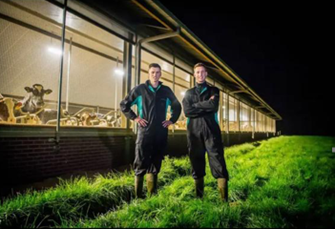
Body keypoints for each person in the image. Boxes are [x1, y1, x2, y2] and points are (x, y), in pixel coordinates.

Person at [120, 63, 181, 198]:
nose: (155, 75)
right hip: (145, 132)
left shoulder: (166, 91)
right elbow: (124, 105)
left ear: (161, 74)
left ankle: (151, 195)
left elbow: (177, 106)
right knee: (141, 161)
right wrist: (135, 118)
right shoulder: (140, 89)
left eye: (158, 72)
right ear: (148, 73)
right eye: (153, 72)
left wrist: (172, 120)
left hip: (160, 133)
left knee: (156, 161)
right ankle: (137, 196)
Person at [182, 63, 229, 202]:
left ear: (206, 74)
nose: (200, 74)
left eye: (203, 72)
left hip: (211, 131)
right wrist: (205, 105)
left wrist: (195, 106)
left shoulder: (214, 90)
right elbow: (187, 111)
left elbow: (213, 106)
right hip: (194, 133)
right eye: (197, 72)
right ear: (194, 74)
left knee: (218, 161)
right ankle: (199, 198)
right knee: (196, 161)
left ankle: (223, 200)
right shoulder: (189, 93)